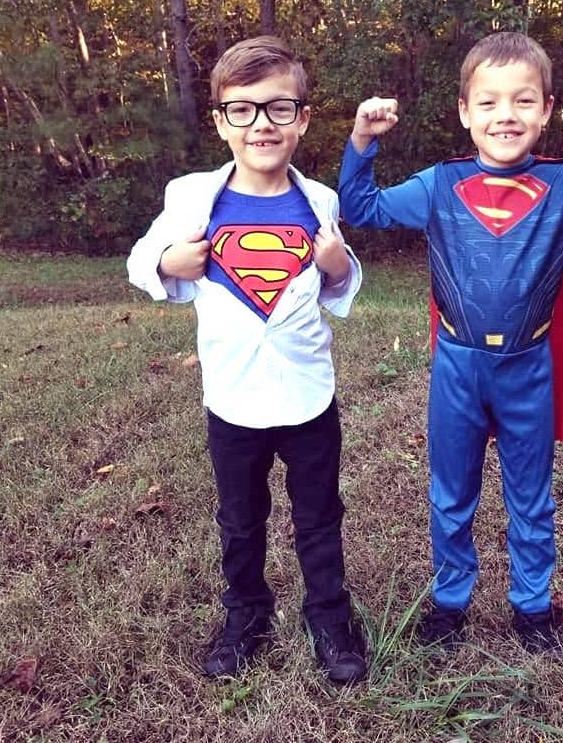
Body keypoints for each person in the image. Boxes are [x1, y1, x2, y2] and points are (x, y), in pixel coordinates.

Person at [338, 30, 563, 654]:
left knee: (530, 493)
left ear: (547, 110)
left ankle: (532, 606)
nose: (506, 116)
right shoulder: (439, 184)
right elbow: (358, 206)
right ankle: (449, 602)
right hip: (458, 367)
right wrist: (362, 140)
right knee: (452, 493)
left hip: (528, 367)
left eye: (523, 101)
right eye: (488, 102)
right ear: (465, 112)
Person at [127, 36, 367, 683]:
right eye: (243, 110)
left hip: (306, 392)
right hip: (231, 397)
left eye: (278, 108)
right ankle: (247, 613)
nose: (261, 123)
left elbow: (338, 283)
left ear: (303, 119)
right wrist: (166, 265)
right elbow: (140, 263)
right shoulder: (190, 197)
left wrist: (339, 268)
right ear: (220, 122)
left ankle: (329, 613)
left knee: (319, 515)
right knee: (239, 518)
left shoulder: (320, 201)